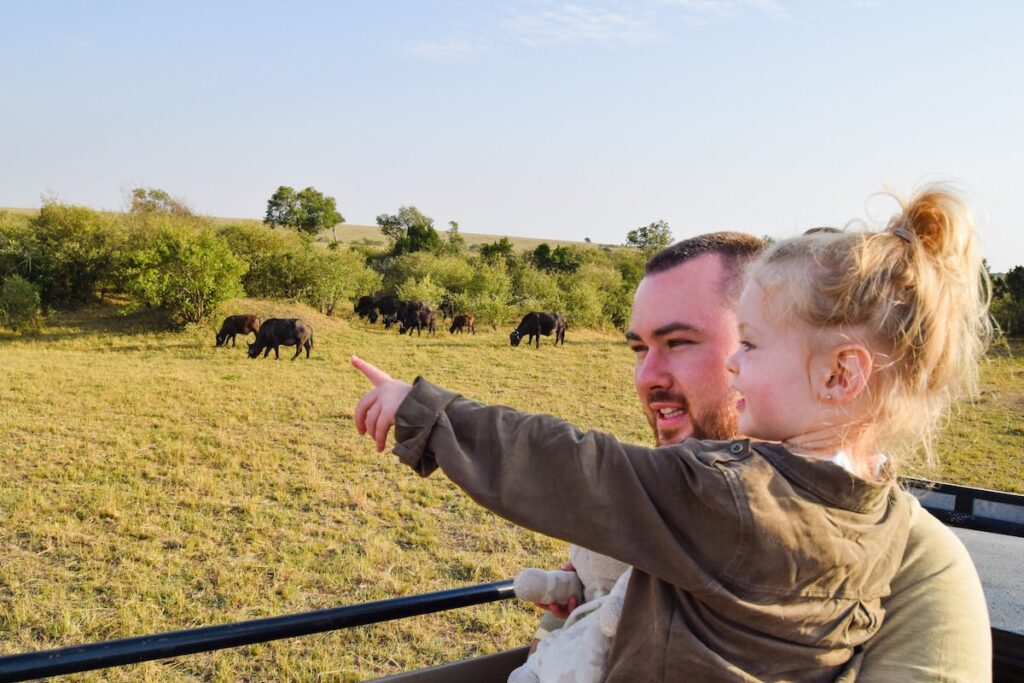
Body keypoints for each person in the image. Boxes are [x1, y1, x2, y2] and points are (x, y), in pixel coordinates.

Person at [352, 186, 992, 681]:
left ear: (839, 373)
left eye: (737, 343)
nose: (648, 376)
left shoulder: (906, 558)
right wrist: (603, 607)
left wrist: (428, 414)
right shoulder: (862, 519)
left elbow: (574, 469)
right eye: (638, 348)